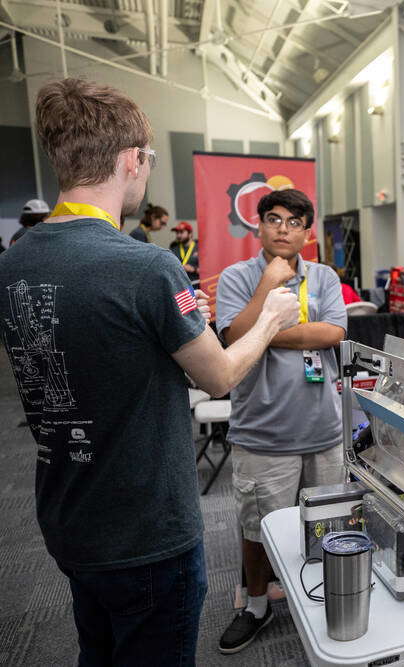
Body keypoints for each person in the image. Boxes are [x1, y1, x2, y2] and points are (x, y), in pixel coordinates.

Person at [0, 78, 300, 666]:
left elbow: (92, 348)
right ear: (131, 159)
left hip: (69, 514)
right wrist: (269, 321)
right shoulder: (144, 265)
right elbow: (217, 378)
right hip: (146, 528)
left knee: (100, 651)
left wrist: (175, 324)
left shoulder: (15, 261)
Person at [215, 188, 348, 653]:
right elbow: (233, 336)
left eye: (294, 222)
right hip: (263, 433)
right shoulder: (237, 277)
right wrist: (268, 288)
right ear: (260, 226)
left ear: (307, 233)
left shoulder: (325, 277)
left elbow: (333, 332)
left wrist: (268, 332)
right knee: (257, 529)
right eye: (274, 219)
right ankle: (255, 605)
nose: (283, 229)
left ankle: (327, 592)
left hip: (324, 431)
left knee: (328, 522)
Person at [169, 220, 199, 285]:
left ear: (190, 233)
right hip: (180, 286)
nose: (178, 235)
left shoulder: (200, 247)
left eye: (181, 232)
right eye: (177, 233)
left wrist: (193, 269)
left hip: (196, 284)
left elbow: (208, 270)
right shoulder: (173, 248)